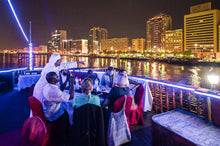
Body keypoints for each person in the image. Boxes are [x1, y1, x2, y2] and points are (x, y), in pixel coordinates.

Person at [42, 71, 74, 145]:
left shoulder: (48, 86)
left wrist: (67, 80)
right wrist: (72, 82)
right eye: (56, 76)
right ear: (53, 80)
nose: (58, 76)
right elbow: (71, 96)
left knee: (66, 109)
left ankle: (66, 133)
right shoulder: (53, 91)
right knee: (67, 113)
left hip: (48, 111)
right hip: (53, 115)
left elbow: (60, 89)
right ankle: (64, 137)